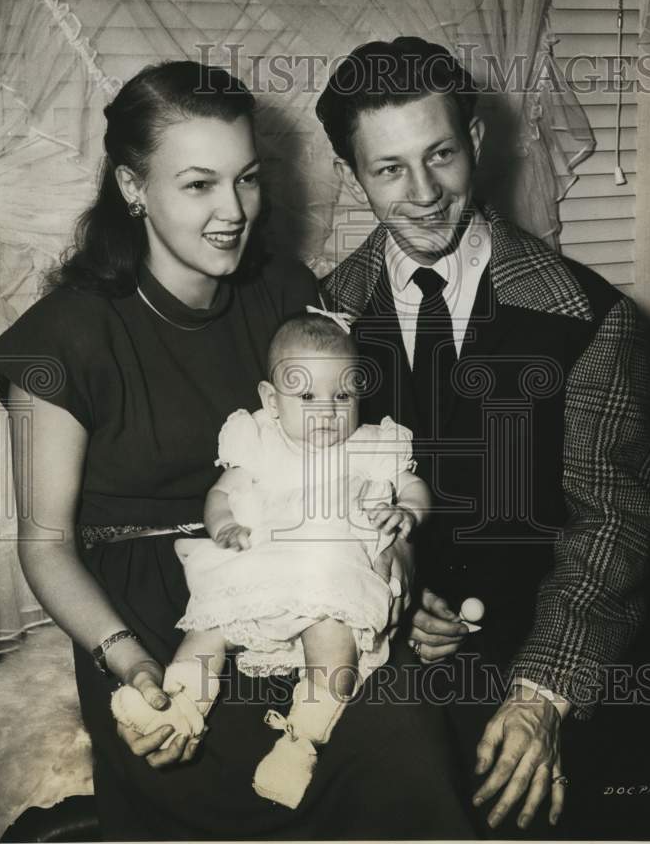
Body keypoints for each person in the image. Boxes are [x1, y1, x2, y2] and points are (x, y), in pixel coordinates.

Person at [0, 59, 473, 840]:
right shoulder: (60, 341)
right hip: (149, 613)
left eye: (245, 180)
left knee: (405, 729)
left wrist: (395, 566)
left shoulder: (281, 291)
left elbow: (352, 456)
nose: (233, 210)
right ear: (132, 188)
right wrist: (129, 661)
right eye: (198, 184)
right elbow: (44, 547)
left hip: (295, 565)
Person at [318, 37, 650, 838]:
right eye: (388, 169)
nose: (423, 193)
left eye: (439, 154)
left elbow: (612, 524)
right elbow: (317, 506)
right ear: (351, 176)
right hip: (390, 658)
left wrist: (541, 695)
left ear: (475, 141)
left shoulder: (589, 315)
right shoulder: (322, 321)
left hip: (561, 652)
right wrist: (392, 599)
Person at [112, 311, 430, 810]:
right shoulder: (258, 439)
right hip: (257, 569)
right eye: (306, 398)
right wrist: (224, 526)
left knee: (333, 634)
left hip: (330, 574)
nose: (327, 412)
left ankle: (302, 739)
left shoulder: (372, 445)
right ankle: (180, 703)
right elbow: (222, 494)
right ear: (269, 399)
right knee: (210, 624)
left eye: (342, 396)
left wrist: (406, 511)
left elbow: (413, 487)